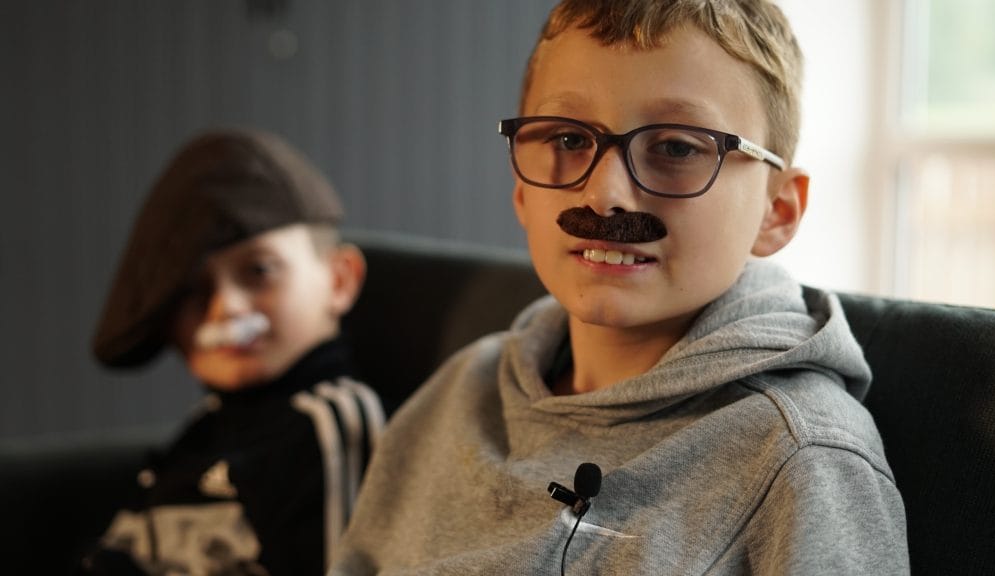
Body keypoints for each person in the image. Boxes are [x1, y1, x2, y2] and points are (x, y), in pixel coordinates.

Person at [329, 0, 909, 574]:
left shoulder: (801, 459)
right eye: (567, 141)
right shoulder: (457, 393)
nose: (604, 193)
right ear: (521, 191)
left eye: (677, 147)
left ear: (777, 209)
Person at [79, 127, 384, 575]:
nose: (226, 309)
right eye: (193, 291)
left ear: (338, 281)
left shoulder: (329, 428)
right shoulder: (206, 425)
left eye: (259, 270)